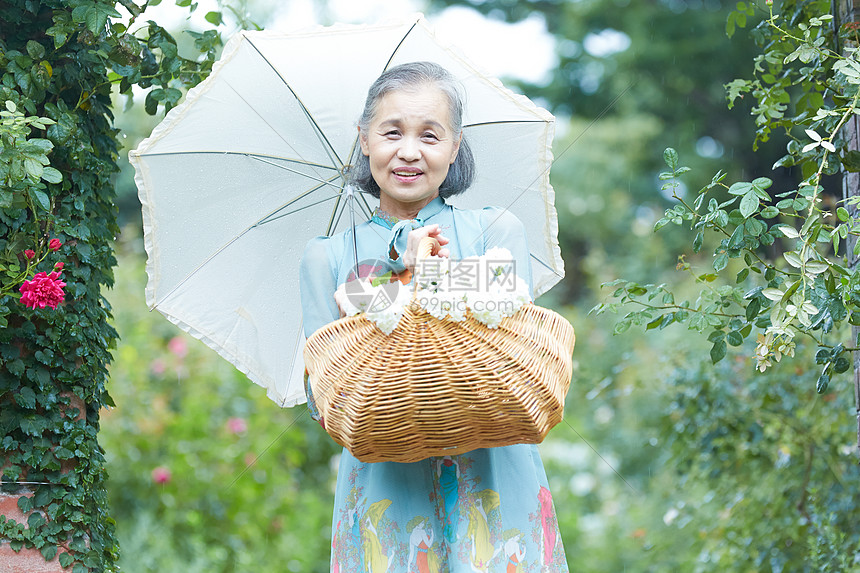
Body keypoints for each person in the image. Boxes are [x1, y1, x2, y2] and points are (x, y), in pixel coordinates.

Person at [300, 61, 568, 572]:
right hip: (387, 497)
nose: (409, 151)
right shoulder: (327, 257)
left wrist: (420, 281)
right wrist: (400, 269)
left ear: (455, 146)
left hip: (496, 483)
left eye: (430, 134)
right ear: (363, 139)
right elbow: (325, 397)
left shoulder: (496, 231)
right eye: (391, 131)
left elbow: (509, 317)